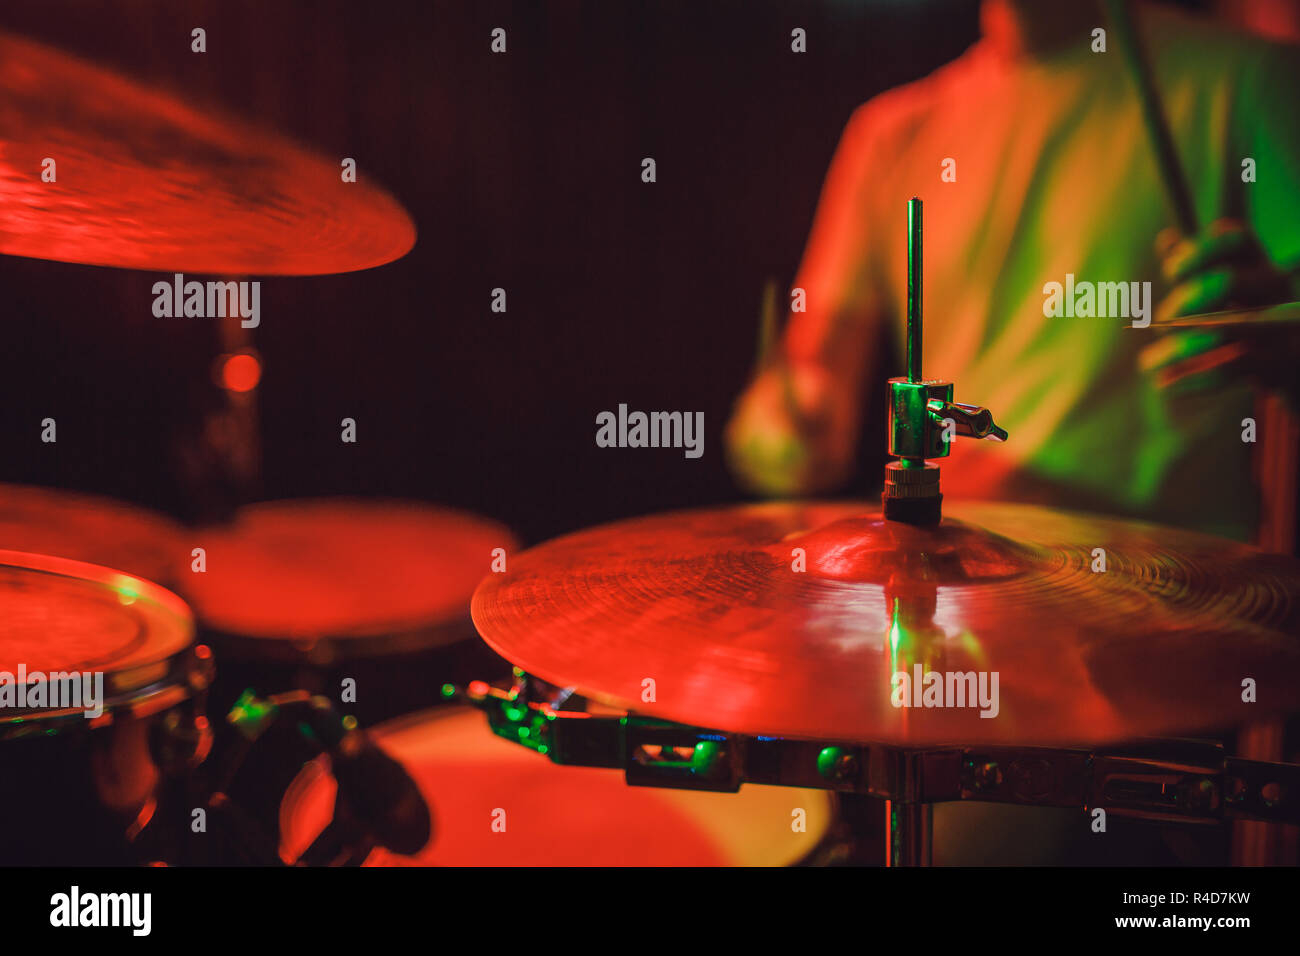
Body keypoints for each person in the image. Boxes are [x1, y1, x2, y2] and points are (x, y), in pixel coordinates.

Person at [725, 0, 1300, 543]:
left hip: (1174, 609)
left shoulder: (1251, 81)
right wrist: (789, 427)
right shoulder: (888, 134)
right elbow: (816, 367)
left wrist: (1281, 337)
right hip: (961, 596)